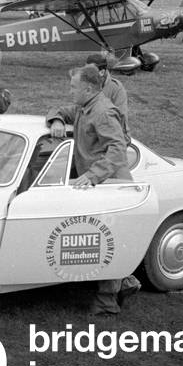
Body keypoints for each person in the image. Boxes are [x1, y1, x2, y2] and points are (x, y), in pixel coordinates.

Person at [46, 64, 140, 314]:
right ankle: (128, 282)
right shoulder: (84, 106)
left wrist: (92, 175)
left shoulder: (103, 112)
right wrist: (55, 119)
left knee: (108, 240)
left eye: (73, 87)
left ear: (88, 88)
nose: (70, 91)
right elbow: (59, 109)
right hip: (98, 185)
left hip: (112, 185)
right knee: (103, 240)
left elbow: (118, 150)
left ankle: (107, 304)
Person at [85, 52, 129, 141]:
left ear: (102, 72)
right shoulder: (86, 85)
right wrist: (57, 120)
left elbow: (121, 119)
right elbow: (74, 110)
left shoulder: (116, 89)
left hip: (113, 139)